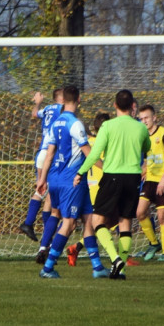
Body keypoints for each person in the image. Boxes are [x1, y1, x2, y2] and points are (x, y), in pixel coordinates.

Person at [75, 89, 151, 280]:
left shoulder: (108, 126)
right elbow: (146, 148)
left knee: (97, 221)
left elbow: (94, 154)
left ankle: (115, 259)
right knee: (125, 222)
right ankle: (121, 270)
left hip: (112, 177)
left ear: (115, 105)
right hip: (133, 179)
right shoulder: (141, 127)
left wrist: (80, 172)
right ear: (132, 106)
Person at [35, 85, 109, 279]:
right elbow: (88, 153)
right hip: (71, 180)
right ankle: (47, 268)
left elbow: (49, 154)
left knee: (88, 219)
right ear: (79, 99)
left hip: (56, 178)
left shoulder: (56, 123)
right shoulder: (75, 124)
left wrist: (42, 179)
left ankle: (97, 267)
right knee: (68, 223)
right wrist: (107, 169)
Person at [66, 111, 110, 267]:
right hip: (102, 189)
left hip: (87, 188)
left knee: (95, 224)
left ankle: (75, 247)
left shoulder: (87, 142)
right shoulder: (105, 143)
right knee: (110, 222)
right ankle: (119, 256)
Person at [19, 89, 63, 244]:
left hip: (41, 153)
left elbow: (34, 113)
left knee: (47, 193)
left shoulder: (47, 109)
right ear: (62, 98)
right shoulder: (62, 109)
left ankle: (43, 234)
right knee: (46, 191)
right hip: (50, 153)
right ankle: (31, 224)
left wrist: (38, 103)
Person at [135, 104, 164, 262]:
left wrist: (163, 179)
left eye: (146, 118)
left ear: (154, 118)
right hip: (150, 180)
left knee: (161, 216)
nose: (144, 121)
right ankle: (154, 243)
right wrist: (144, 170)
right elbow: (147, 159)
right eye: (141, 119)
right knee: (140, 213)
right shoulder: (144, 137)